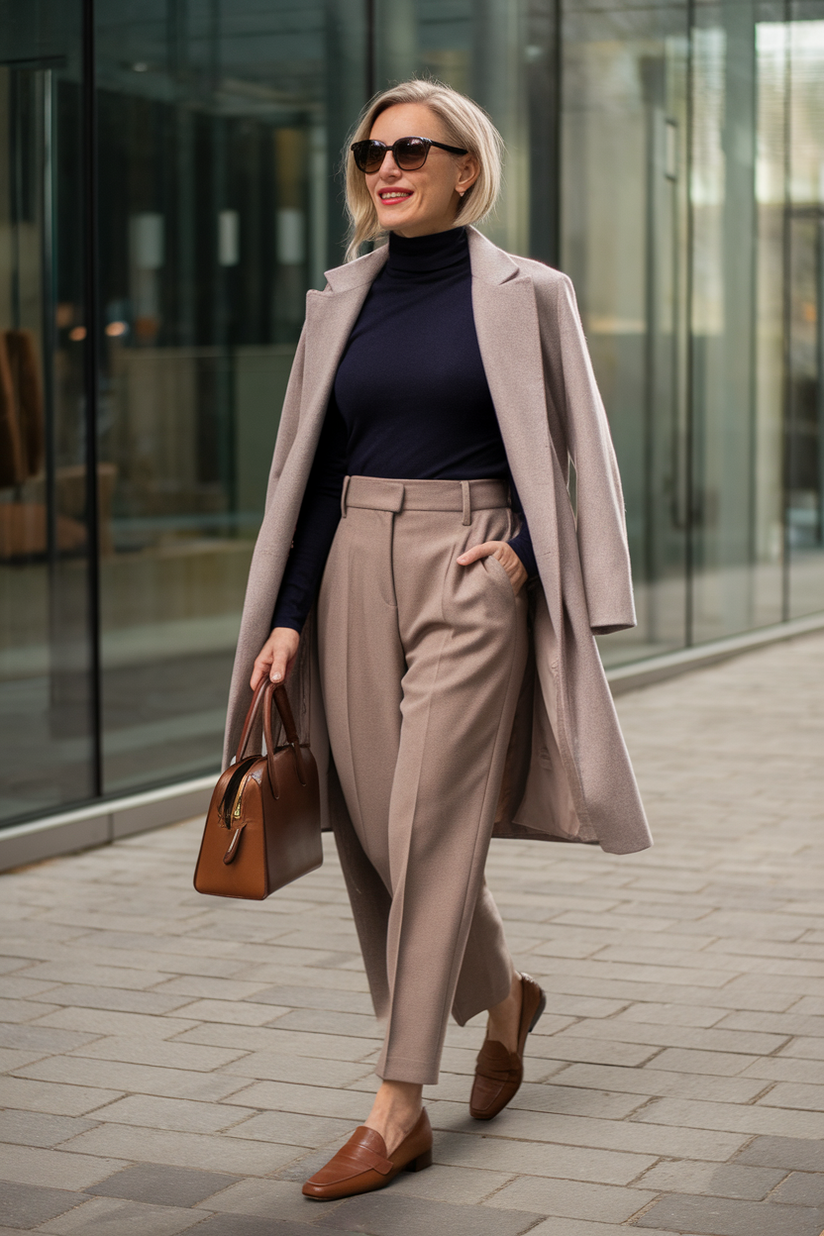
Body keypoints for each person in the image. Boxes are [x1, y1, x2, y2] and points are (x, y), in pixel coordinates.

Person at [222, 78, 652, 1203]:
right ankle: (505, 998)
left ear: (468, 166)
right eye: (371, 151)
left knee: (425, 826)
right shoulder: (340, 299)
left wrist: (531, 562)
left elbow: (576, 448)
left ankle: (395, 1102)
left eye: (413, 148)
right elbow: (308, 474)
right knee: (373, 831)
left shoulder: (528, 292)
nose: (387, 168)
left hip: (473, 570)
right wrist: (285, 615)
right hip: (354, 563)